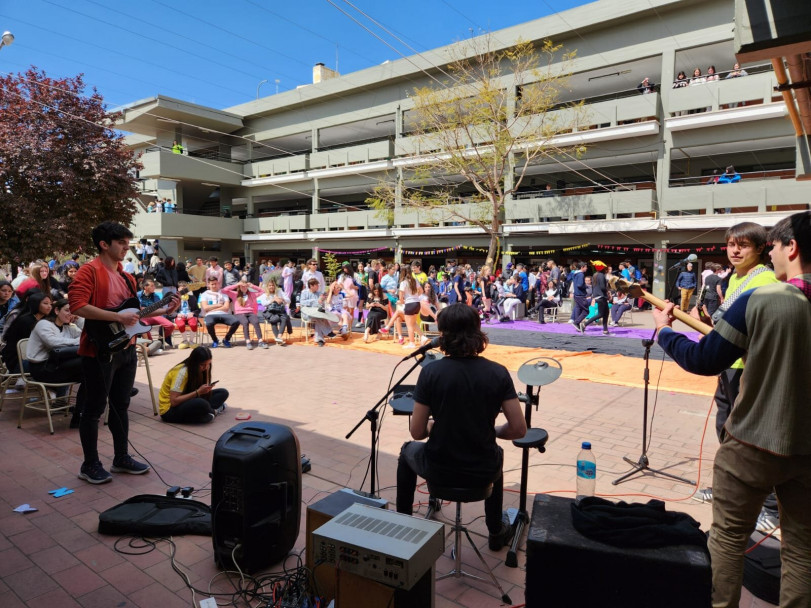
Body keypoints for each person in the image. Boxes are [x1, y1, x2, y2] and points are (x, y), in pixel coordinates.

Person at [653, 211, 811, 608]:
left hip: (755, 440)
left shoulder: (765, 297)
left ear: (790, 247)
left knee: (726, 537)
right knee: (802, 549)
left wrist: (665, 331)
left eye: (772, 246)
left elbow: (704, 359)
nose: (770, 255)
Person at [395, 304, 527, 550]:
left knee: (407, 450)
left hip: (439, 469)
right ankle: (496, 530)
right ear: (477, 332)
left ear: (443, 335)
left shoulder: (431, 373)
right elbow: (519, 429)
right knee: (495, 454)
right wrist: (492, 431)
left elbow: (417, 432)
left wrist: (436, 426)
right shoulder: (498, 373)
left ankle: (404, 525)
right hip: (482, 471)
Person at [68, 222, 178, 484]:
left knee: (121, 406)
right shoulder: (89, 271)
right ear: (104, 244)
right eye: (121, 243)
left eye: (128, 243)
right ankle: (89, 464)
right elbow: (77, 306)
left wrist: (165, 310)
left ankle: (121, 458)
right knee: (93, 409)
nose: (127, 248)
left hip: (126, 349)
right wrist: (115, 316)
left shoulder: (127, 277)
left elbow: (133, 313)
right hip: (99, 350)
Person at [26, 298, 85, 427]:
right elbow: (53, 343)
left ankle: (80, 415)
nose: (70, 314)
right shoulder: (44, 324)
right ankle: (111, 389)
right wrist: (79, 342)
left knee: (91, 372)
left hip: (58, 365)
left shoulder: (69, 328)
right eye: (67, 310)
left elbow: (88, 335)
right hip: (42, 369)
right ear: (57, 310)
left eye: (73, 311)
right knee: (89, 365)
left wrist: (79, 319)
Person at [158, 346, 229, 424]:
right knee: (202, 404)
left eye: (208, 364)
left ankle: (209, 411)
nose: (205, 368)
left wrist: (205, 390)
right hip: (170, 410)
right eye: (202, 365)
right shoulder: (182, 372)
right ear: (194, 363)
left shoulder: (203, 369)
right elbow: (174, 401)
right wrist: (198, 392)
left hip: (188, 400)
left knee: (223, 393)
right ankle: (213, 411)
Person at [1, 292, 52, 374]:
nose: (49, 306)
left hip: (33, 358)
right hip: (19, 362)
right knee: (58, 365)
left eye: (50, 304)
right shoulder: (26, 321)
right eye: (46, 303)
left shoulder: (43, 320)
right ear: (35, 304)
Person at [222, 277, 265, 349]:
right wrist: (236, 284)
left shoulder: (251, 294)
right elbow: (224, 290)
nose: (244, 288)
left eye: (245, 286)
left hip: (250, 312)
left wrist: (252, 286)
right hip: (239, 313)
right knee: (245, 322)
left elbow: (263, 291)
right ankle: (248, 342)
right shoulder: (235, 294)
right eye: (242, 286)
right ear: (239, 287)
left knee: (256, 321)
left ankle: (260, 341)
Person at [198, 277, 240, 348]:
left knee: (236, 321)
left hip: (224, 314)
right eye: (212, 284)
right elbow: (205, 308)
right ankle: (215, 340)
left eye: (215, 284)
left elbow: (226, 307)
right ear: (208, 285)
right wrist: (219, 305)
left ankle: (226, 339)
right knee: (209, 323)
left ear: (218, 284)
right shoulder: (204, 294)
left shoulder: (223, 293)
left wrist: (212, 308)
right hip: (210, 315)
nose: (214, 286)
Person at [138, 279, 176, 348]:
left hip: (155, 315)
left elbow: (159, 309)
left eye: (154, 285)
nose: (154, 287)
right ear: (145, 287)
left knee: (170, 325)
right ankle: (151, 344)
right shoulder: (137, 295)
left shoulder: (156, 296)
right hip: (143, 317)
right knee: (144, 327)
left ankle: (161, 340)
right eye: (152, 286)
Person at [579, 261, 610, 335]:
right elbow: (602, 287)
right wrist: (607, 290)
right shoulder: (601, 275)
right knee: (601, 314)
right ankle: (585, 324)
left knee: (606, 312)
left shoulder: (595, 275)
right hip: (601, 296)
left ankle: (605, 330)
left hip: (598, 296)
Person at [258, 280, 291, 346]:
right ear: (267, 287)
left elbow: (288, 300)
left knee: (284, 317)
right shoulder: (265, 294)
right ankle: (278, 339)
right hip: (270, 311)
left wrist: (282, 299)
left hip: (279, 310)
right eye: (270, 285)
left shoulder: (280, 291)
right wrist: (273, 300)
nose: (271, 287)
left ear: (275, 286)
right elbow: (264, 303)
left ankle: (278, 337)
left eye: (273, 285)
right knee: (274, 321)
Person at [300, 278, 331, 347]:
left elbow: (321, 305)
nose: (318, 286)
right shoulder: (304, 292)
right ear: (311, 286)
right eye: (316, 285)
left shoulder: (319, 293)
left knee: (320, 316)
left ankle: (319, 339)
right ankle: (327, 332)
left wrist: (322, 301)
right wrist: (315, 301)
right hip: (307, 314)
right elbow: (302, 303)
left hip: (317, 313)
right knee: (318, 317)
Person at [173, 280, 200, 349]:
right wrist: (177, 314)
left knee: (193, 324)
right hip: (180, 315)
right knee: (181, 324)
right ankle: (185, 340)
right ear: (178, 289)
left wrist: (193, 313)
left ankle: (191, 341)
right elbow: (170, 311)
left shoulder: (192, 297)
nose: (184, 291)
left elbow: (197, 309)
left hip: (190, 314)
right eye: (182, 289)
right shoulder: (174, 299)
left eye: (185, 289)